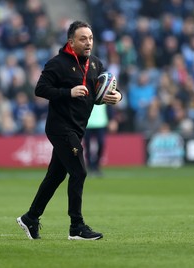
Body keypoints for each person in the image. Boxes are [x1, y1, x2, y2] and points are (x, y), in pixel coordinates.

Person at [16, 21, 122, 240]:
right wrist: (68, 92)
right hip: (60, 128)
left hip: (77, 128)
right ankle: (77, 227)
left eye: (91, 38)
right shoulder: (57, 64)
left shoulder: (95, 64)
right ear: (71, 42)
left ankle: (30, 217)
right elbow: (40, 89)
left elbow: (106, 88)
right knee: (80, 172)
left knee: (56, 176)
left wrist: (117, 96)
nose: (88, 42)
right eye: (83, 39)